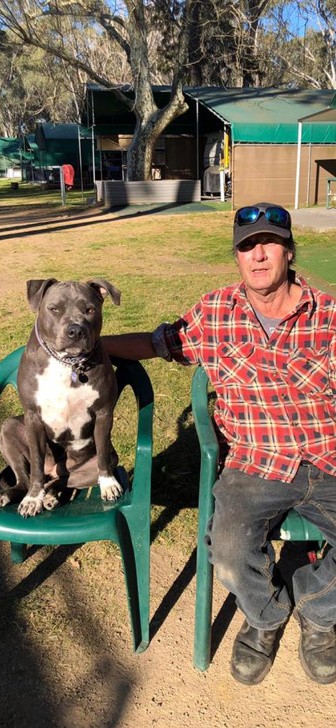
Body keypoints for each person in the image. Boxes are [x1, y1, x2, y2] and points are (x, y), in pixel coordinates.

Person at [104, 202, 336, 686]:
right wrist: (92, 346)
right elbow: (156, 343)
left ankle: (317, 606)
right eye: (246, 247)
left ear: (289, 252)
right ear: (236, 257)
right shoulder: (215, 313)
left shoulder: (330, 316)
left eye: (268, 243)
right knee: (227, 547)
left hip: (327, 456)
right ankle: (266, 618)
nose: (257, 255)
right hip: (256, 462)